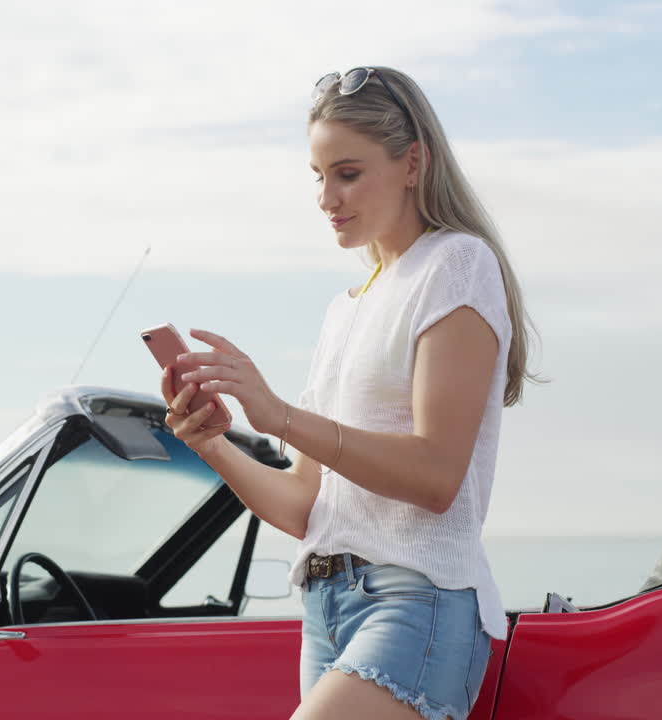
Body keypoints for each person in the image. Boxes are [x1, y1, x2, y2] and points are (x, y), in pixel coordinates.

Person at [159, 66, 541, 720]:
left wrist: (279, 415)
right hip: (325, 607)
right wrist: (212, 444)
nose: (326, 196)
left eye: (348, 172)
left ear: (413, 162)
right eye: (318, 176)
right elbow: (307, 507)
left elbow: (437, 476)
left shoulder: (456, 264)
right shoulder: (345, 310)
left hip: (416, 601)